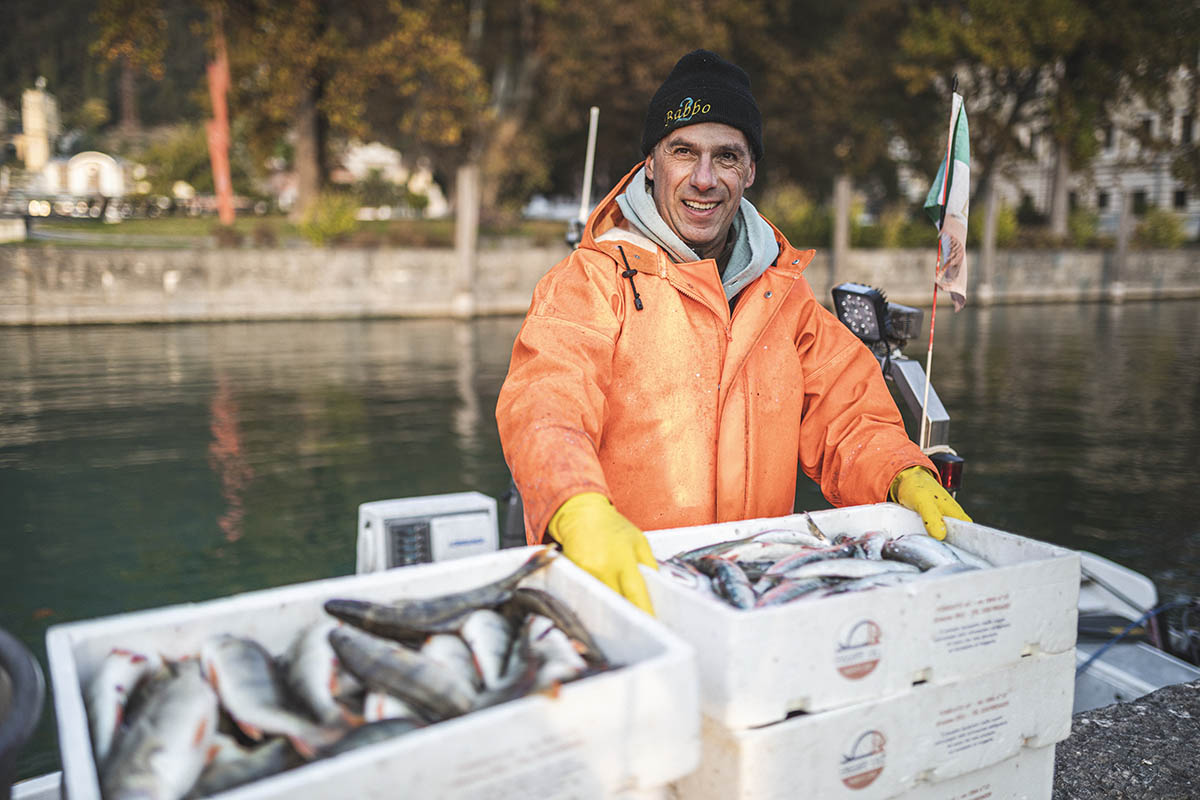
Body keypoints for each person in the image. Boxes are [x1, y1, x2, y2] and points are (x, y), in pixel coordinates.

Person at [495, 49, 969, 614]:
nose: (703, 179)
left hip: (753, 593)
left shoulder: (786, 296)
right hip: (619, 591)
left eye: (726, 157)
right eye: (683, 151)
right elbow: (546, 406)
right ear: (651, 163)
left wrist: (902, 472)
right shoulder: (589, 282)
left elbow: (849, 419)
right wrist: (575, 506)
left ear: (749, 172)